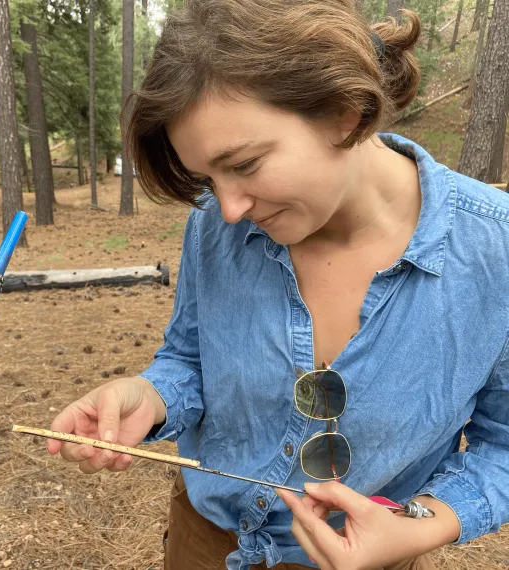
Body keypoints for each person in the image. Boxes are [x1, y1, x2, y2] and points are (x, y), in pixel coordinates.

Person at [46, 1, 509, 568]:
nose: (231, 208)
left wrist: (418, 528)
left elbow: (504, 445)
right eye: (208, 178)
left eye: (244, 164)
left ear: (343, 109)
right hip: (205, 541)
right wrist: (150, 396)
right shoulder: (213, 224)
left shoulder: (495, 250)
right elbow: (191, 358)